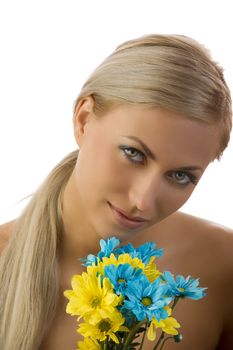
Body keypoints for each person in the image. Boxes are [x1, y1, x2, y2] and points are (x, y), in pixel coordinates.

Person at [0, 34, 232, 350]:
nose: (143, 201)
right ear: (83, 120)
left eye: (180, 176)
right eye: (133, 153)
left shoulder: (222, 267)